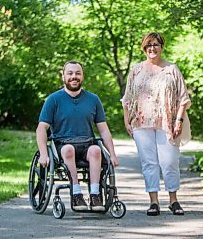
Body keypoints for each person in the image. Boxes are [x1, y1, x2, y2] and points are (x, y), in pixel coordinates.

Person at [122, 32, 191, 216]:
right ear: (144, 48)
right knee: (148, 163)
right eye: (148, 45)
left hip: (167, 122)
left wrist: (179, 120)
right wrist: (126, 120)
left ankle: (173, 200)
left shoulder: (172, 69)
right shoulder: (136, 70)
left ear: (162, 47)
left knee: (169, 161)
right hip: (140, 122)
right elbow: (127, 98)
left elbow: (183, 98)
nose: (152, 48)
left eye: (156, 44)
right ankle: (153, 202)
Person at [36, 60, 119, 211]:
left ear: (82, 76)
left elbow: (104, 129)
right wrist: (43, 154)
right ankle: (76, 193)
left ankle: (95, 195)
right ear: (63, 77)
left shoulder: (93, 99)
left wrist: (112, 154)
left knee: (96, 151)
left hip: (87, 144)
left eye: (77, 73)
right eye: (70, 73)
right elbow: (42, 128)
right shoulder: (53, 99)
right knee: (68, 150)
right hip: (63, 144)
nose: (74, 76)